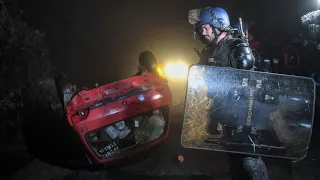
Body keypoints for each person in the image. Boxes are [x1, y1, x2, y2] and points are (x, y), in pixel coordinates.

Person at [189, 7, 268, 180]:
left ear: (218, 25)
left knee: (249, 159)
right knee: (233, 158)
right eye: (201, 28)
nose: (202, 32)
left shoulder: (237, 48)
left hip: (244, 114)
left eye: (205, 27)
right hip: (225, 113)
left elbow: (254, 85)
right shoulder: (210, 51)